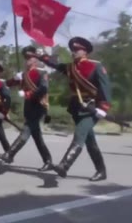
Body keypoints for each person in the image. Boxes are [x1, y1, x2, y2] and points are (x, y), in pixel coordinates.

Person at [32, 37, 111, 181]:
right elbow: (54, 64)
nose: (73, 52)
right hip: (76, 107)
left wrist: (103, 108)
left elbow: (105, 87)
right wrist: (41, 55)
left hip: (91, 108)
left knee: (79, 134)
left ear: (85, 51)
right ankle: (101, 171)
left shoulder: (96, 66)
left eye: (76, 50)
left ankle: (64, 165)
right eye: (72, 50)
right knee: (89, 141)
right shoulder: (70, 67)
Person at [0, 46, 53, 171]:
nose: (27, 60)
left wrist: (28, 94)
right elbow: (9, 83)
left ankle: (9, 154)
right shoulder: (23, 74)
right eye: (26, 58)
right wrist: (11, 79)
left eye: (30, 58)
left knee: (26, 130)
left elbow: (43, 89)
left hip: (39, 106)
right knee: (37, 137)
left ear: (36, 59)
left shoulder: (41, 72)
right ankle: (48, 160)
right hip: (28, 108)